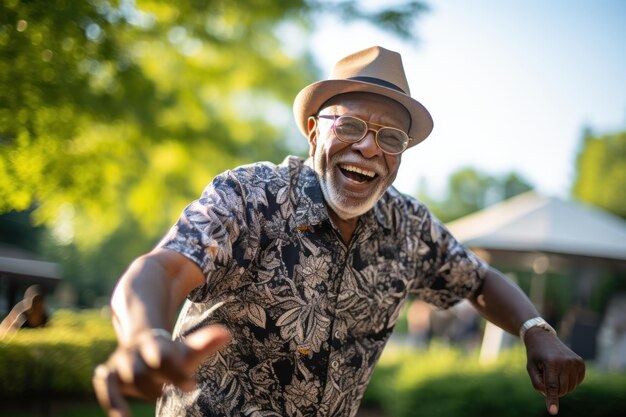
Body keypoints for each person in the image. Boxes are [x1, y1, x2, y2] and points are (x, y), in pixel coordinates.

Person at [92, 46, 585, 417]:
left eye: (390, 138)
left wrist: (534, 329)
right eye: (349, 127)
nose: (369, 148)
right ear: (314, 131)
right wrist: (143, 336)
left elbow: (478, 280)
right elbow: (160, 267)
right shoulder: (249, 196)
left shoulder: (409, 227)